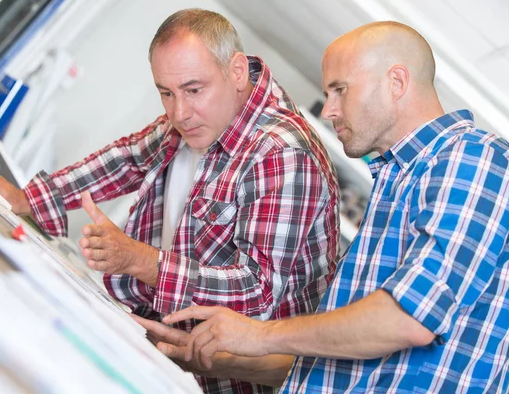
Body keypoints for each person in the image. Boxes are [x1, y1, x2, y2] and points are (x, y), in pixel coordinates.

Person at [0, 8, 340, 393]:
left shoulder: (282, 154)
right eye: (166, 93)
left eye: (193, 90)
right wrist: (29, 199)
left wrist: (139, 261)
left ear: (237, 71)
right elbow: (128, 159)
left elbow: (257, 292)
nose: (179, 112)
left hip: (228, 384)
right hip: (163, 354)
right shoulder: (199, 118)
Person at [147, 21, 509, 393]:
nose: (330, 110)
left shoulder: (474, 159)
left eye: (340, 90)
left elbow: (408, 319)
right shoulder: (400, 180)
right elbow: (335, 365)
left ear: (396, 82)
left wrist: (260, 334)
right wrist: (201, 354)